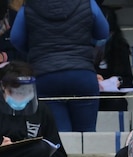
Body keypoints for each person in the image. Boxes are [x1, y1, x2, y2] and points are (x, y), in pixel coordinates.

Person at [10, 0, 109, 132]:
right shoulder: (87, 2)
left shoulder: (29, 5)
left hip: (45, 75)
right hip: (81, 73)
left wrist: (35, 51)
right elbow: (103, 32)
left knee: (59, 135)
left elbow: (16, 38)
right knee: (86, 134)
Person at [95, 6, 133, 112]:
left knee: (117, 102)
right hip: (91, 94)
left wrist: (118, 81)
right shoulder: (84, 47)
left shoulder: (120, 47)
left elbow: (128, 81)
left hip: (112, 98)